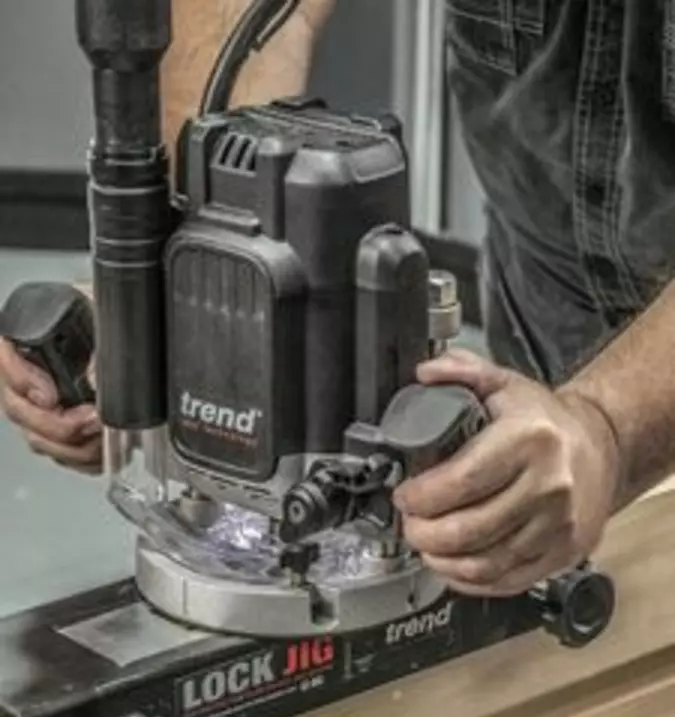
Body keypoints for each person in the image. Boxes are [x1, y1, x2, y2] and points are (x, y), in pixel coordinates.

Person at [0, 1, 672, 598]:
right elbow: (251, 10)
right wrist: (179, 298)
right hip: (542, 339)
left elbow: (600, 434)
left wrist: (609, 429)